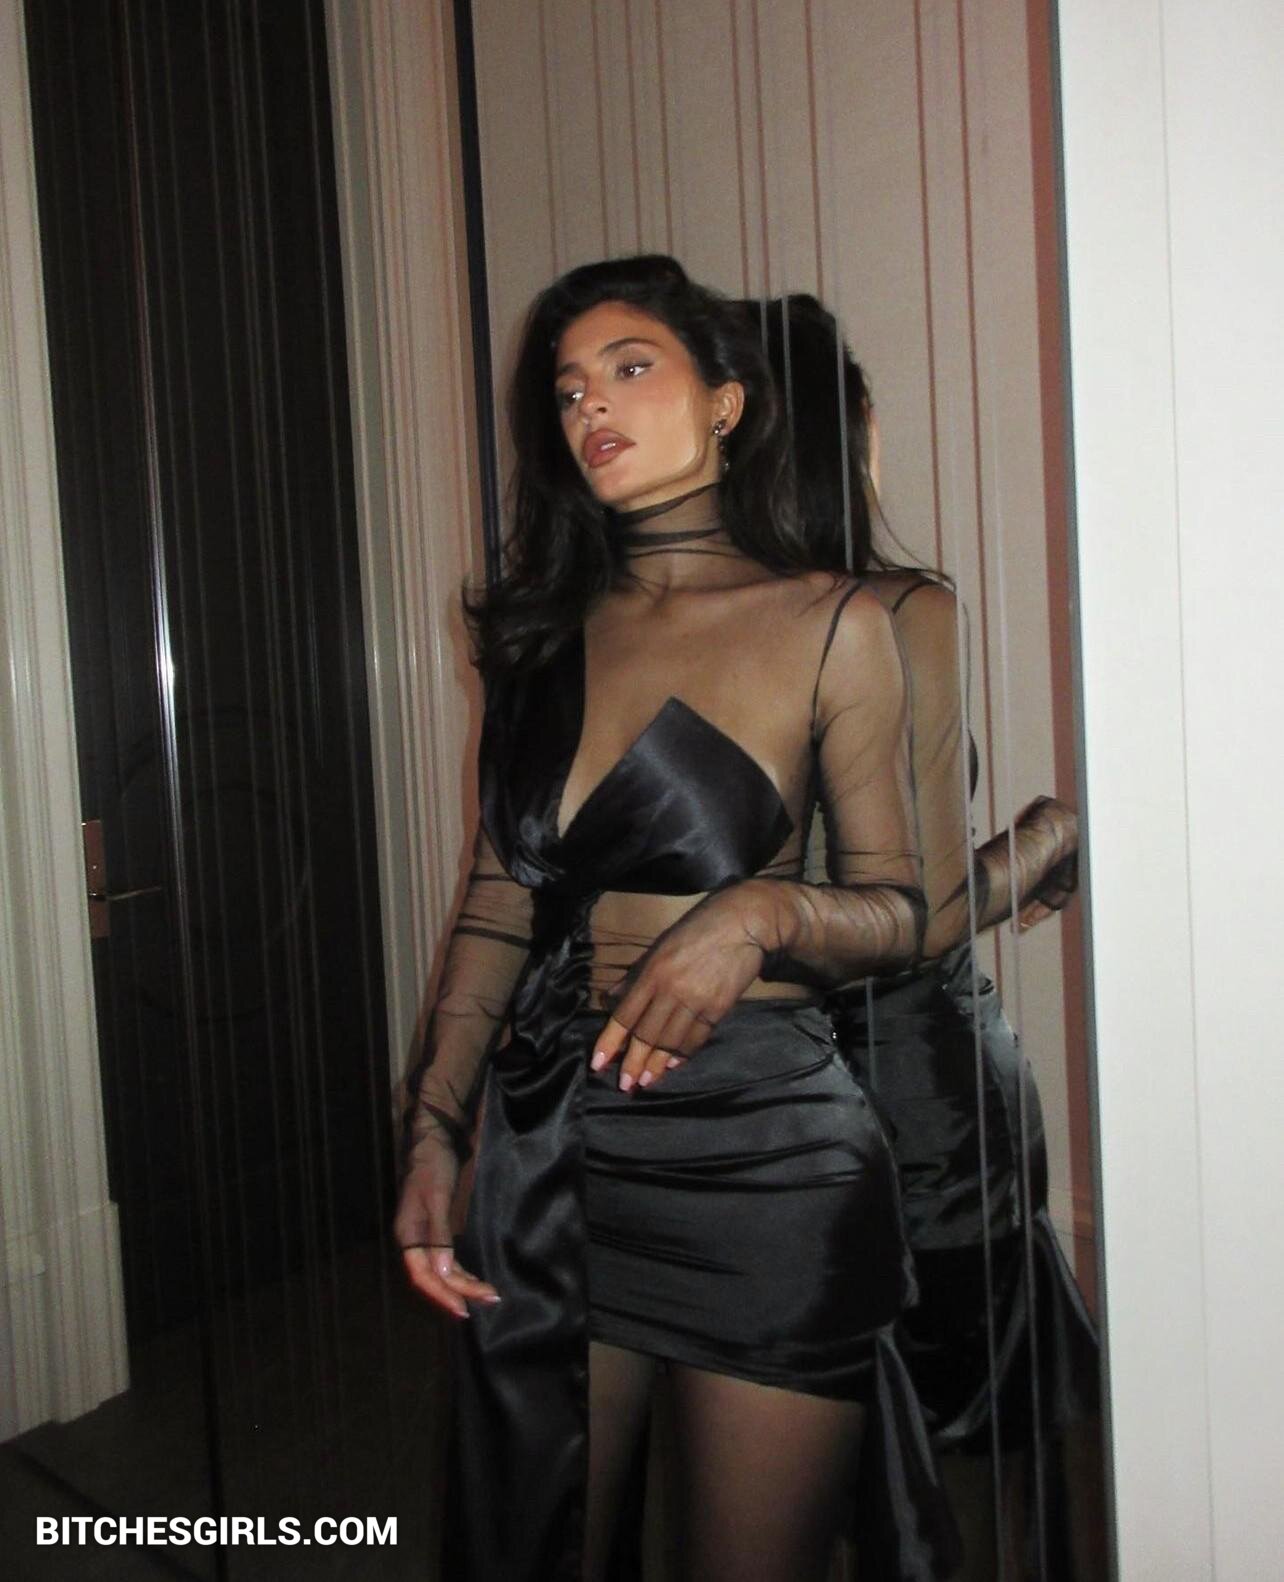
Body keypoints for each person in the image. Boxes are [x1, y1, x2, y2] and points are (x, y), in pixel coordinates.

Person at [393, 257, 960, 1582]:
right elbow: (498, 903)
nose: (591, 404)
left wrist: (757, 912)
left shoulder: (836, 623)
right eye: (568, 387)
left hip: (767, 1163)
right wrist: (433, 1123)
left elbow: (909, 911)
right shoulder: (537, 640)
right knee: (540, 1542)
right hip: (554, 1143)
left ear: (725, 401)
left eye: (631, 366)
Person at [757, 293, 1102, 1579]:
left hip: (772, 1097)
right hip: (924, 1102)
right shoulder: (901, 609)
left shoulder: (697, 623)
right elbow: (923, 918)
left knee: (807, 1458)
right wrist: (1050, 832)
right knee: (986, 1446)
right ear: (853, 433)